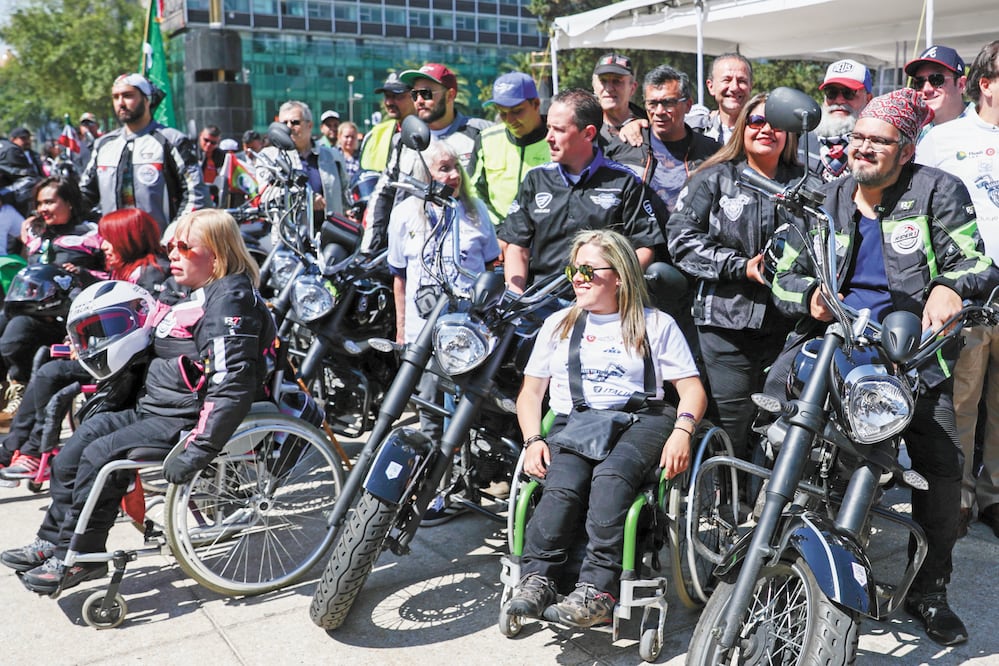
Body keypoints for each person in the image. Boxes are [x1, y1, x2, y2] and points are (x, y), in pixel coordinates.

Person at [768, 88, 999, 646]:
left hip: (917, 358)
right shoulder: (828, 197)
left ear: (906, 149)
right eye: (858, 138)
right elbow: (781, 269)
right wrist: (809, 302)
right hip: (837, 349)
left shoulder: (938, 190)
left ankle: (929, 590)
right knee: (790, 447)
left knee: (942, 471)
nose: (863, 148)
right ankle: (777, 568)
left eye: (879, 140)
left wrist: (948, 286)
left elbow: (978, 263)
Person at [0, 208, 276, 595]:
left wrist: (200, 448)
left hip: (187, 419)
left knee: (101, 456)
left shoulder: (230, 301)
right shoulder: (191, 291)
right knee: (74, 448)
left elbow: (231, 382)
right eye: (171, 246)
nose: (173, 254)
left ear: (216, 254)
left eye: (184, 246)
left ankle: (80, 555)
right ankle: (52, 540)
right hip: (156, 406)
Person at [504, 228, 706, 628]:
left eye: (588, 269)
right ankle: (538, 578)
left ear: (619, 274)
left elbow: (692, 390)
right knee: (561, 486)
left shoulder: (656, 324)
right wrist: (532, 441)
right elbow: (529, 395)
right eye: (573, 269)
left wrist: (683, 432)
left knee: (612, 479)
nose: (577, 278)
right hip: (577, 420)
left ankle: (598, 590)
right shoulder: (559, 323)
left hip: (642, 419)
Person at [666, 92, 804, 463]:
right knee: (734, 423)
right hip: (726, 321)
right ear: (742, 127)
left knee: (783, 419)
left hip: (791, 325)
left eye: (776, 123)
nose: (767, 129)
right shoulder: (711, 177)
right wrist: (741, 266)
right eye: (757, 121)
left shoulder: (809, 183)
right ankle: (732, 502)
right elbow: (681, 241)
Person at [0, 208, 181, 477]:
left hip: (132, 365)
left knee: (51, 373)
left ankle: (32, 451)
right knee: (46, 361)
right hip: (115, 356)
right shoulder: (126, 270)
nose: (104, 246)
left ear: (128, 238)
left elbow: (142, 332)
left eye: (110, 239)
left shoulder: (151, 275)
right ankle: (20, 449)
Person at [387, 141, 500, 523]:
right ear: (425, 176)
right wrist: (402, 330)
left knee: (463, 410)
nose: (452, 176)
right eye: (443, 169)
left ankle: (461, 481)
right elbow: (399, 279)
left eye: (455, 168)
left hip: (466, 332)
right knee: (430, 407)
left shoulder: (475, 210)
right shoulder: (404, 214)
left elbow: (491, 267)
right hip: (423, 330)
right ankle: (430, 486)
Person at [916, 40, 999, 540]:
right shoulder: (944, 138)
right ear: (986, 84)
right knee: (962, 399)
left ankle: (994, 497)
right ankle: (960, 497)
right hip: (970, 290)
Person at [498, 89, 664, 293]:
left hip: (603, 306)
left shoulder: (626, 182)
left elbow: (644, 247)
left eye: (558, 130)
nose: (548, 138)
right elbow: (517, 246)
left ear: (588, 133)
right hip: (539, 305)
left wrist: (616, 288)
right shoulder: (535, 179)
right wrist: (516, 295)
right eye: (548, 128)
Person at [0, 176, 105, 428]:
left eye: (49, 202)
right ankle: (10, 388)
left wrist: (83, 274)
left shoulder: (91, 234)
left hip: (69, 322)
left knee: (16, 332)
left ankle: (21, 386)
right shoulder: (37, 234)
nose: (42, 208)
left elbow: (111, 276)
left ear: (69, 202)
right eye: (39, 203)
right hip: (32, 310)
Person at [362, 63, 490, 253]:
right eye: (415, 95)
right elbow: (384, 193)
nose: (419, 100)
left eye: (427, 94)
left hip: (469, 250)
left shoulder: (480, 132)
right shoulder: (403, 139)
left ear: (450, 95)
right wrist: (369, 249)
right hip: (416, 250)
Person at [79, 73, 209, 234]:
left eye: (128, 96)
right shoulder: (103, 145)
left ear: (147, 99)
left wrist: (172, 237)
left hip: (161, 250)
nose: (121, 103)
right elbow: (85, 195)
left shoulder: (171, 140)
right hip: (113, 250)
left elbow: (196, 195)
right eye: (115, 97)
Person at [606, 65, 721, 213]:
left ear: (688, 105)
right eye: (652, 104)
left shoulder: (713, 154)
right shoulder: (623, 149)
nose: (659, 112)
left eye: (668, 103)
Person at [472, 71, 551, 227]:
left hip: (546, 238)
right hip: (499, 237)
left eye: (517, 111)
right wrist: (500, 229)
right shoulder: (486, 139)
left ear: (536, 104)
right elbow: (473, 192)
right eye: (502, 113)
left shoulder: (558, 138)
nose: (510, 120)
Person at [259, 100, 349, 220]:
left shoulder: (333, 156)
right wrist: (306, 197)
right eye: (284, 123)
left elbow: (345, 195)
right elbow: (265, 195)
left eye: (295, 122)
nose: (289, 127)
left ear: (309, 125)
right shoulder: (269, 157)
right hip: (288, 234)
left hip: (330, 233)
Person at [803, 59, 874, 182]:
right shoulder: (803, 141)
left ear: (868, 99)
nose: (839, 100)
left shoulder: (877, 145)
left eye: (849, 93)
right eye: (831, 92)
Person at [906, 45, 969, 140]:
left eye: (936, 79)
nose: (926, 89)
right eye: (919, 82)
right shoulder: (914, 134)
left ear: (961, 85)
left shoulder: (987, 125)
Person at [359, 73, 415, 173]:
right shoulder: (375, 134)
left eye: (396, 96)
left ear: (414, 97)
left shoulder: (432, 132)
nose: (389, 103)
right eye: (386, 96)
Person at [591, 53, 642, 146]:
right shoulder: (583, 125)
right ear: (594, 86)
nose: (609, 88)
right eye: (603, 81)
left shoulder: (649, 126)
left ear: (632, 88)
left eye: (617, 81)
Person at [703, 54, 754, 145]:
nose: (734, 87)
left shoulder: (762, 134)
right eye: (727, 80)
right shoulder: (697, 132)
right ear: (711, 87)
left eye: (741, 81)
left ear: (750, 87)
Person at [0, 127, 44, 218]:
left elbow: (30, 180)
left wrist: (3, 196)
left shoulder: (8, 150)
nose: (28, 141)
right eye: (24, 138)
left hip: (9, 211)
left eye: (28, 138)